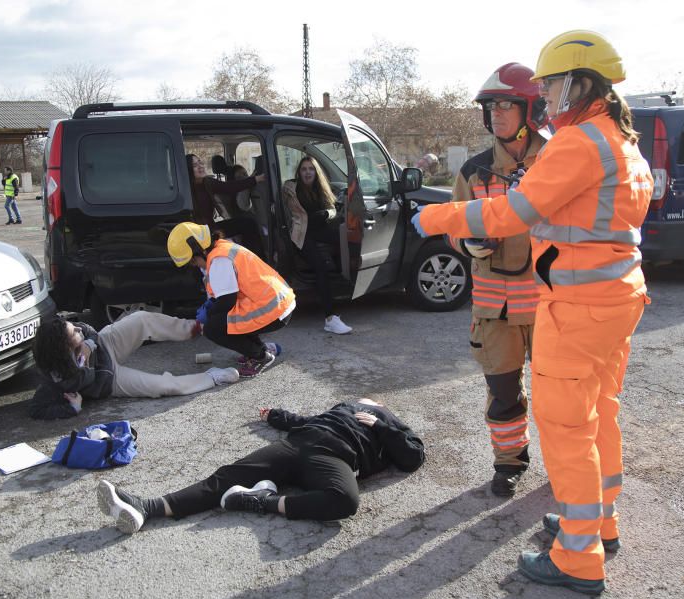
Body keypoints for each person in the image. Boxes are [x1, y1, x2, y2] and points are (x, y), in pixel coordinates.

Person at [411, 30, 652, 595]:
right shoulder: (620, 139)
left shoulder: (577, 142)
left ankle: (578, 558)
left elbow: (516, 212)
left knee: (568, 429)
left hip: (578, 308)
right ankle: (595, 522)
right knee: (600, 414)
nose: (543, 97)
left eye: (549, 86)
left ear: (577, 83)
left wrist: (440, 219)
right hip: (617, 299)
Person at [95, 397, 425, 533]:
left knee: (346, 501)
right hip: (299, 441)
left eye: (376, 404)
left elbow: (414, 457)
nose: (369, 402)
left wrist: (381, 425)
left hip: (335, 456)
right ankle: (146, 507)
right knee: (228, 474)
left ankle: (260, 501)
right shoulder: (344, 406)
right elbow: (302, 420)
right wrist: (274, 415)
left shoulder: (390, 424)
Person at [448, 63, 549, 498]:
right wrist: (467, 243)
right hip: (497, 312)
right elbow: (454, 226)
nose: (498, 114)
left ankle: (571, 470)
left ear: (532, 109)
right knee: (503, 394)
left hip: (550, 308)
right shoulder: (474, 172)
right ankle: (509, 463)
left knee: (562, 399)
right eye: (492, 106)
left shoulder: (559, 161)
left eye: (508, 104)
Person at [30, 312, 238, 419]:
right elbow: (37, 409)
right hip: (111, 380)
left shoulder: (82, 335)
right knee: (162, 386)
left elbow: (88, 329)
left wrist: (90, 344)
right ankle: (211, 377)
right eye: (73, 333)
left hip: (106, 344)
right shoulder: (55, 378)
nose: (77, 329)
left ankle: (195, 328)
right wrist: (73, 409)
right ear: (64, 348)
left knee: (141, 319)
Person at [167, 222, 294, 377]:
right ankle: (259, 348)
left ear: (199, 250)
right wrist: (212, 306)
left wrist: (208, 315)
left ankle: (261, 356)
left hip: (273, 310)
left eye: (193, 261)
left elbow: (227, 301)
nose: (194, 266)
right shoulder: (223, 247)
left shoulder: (220, 260)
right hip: (278, 302)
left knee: (213, 328)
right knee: (226, 317)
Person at [281, 156, 352, 335]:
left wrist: (326, 214)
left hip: (319, 230)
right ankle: (330, 318)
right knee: (320, 267)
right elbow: (290, 208)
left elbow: (333, 207)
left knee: (345, 238)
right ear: (299, 172)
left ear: (316, 172)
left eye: (311, 169)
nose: (307, 172)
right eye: (304, 169)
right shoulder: (292, 188)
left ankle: (348, 275)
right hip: (302, 234)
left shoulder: (321, 188)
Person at [187, 153, 265, 255]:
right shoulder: (187, 190)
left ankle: (253, 258)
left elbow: (230, 187)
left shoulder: (207, 182)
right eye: (194, 165)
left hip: (211, 227)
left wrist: (256, 179)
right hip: (202, 234)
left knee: (248, 223)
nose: (200, 166)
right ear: (188, 170)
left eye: (200, 162)